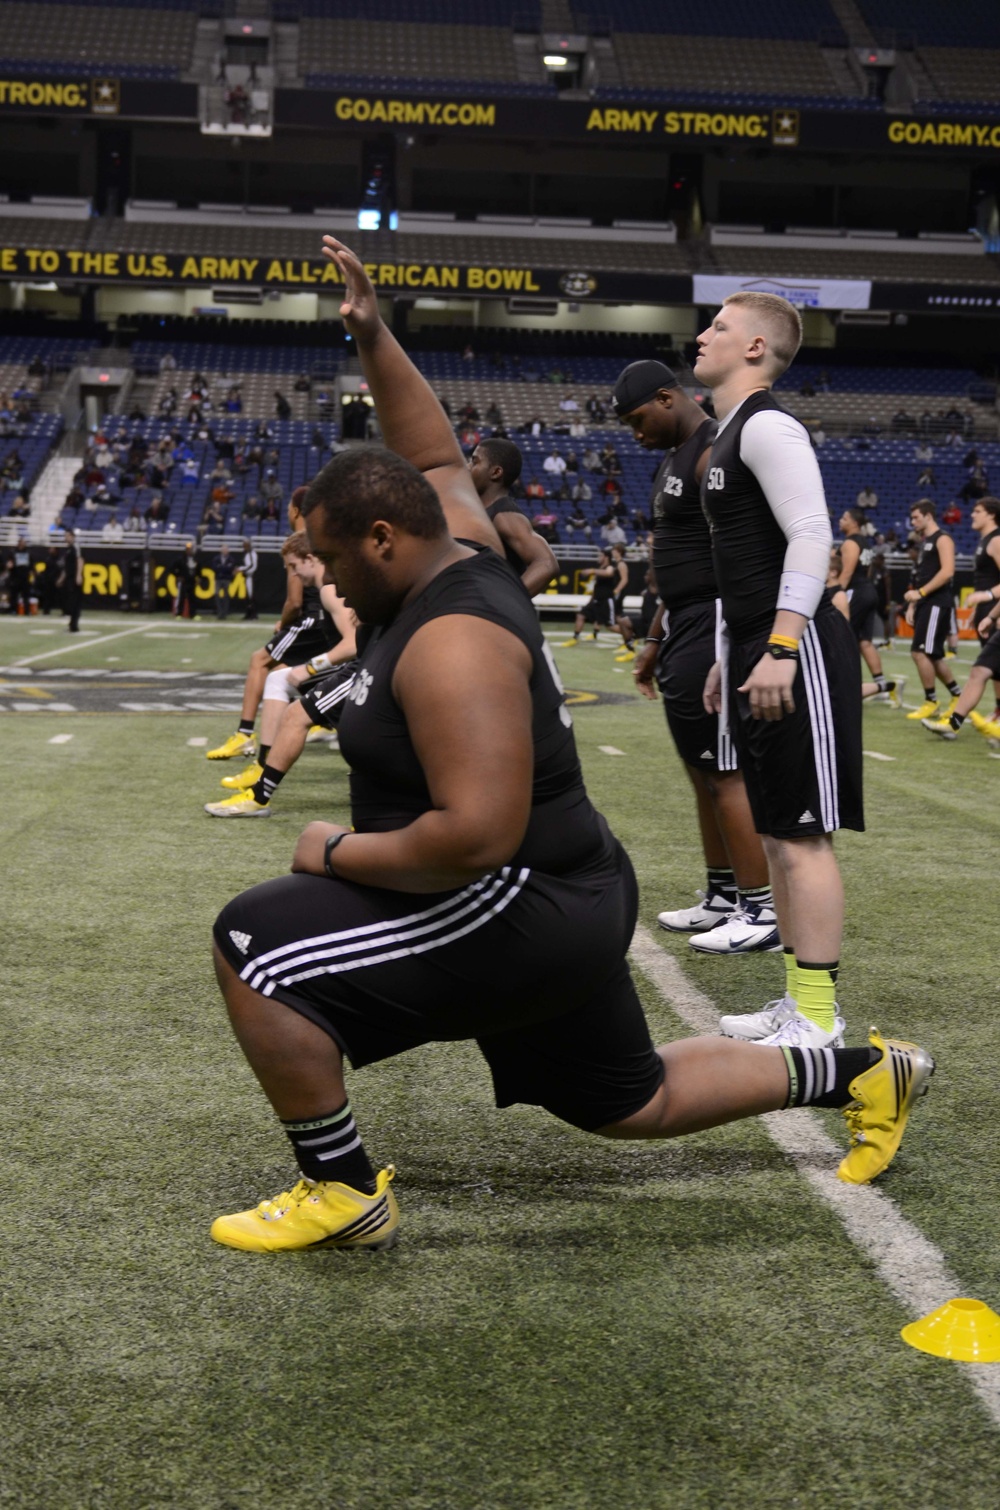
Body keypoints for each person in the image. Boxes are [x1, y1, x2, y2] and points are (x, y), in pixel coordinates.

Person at [206, 237, 935, 1254]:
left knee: (255, 945)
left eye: (331, 556)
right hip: (569, 887)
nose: (325, 577)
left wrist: (330, 849)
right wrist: (373, 336)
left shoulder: (451, 640)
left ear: (380, 542)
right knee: (623, 1100)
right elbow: (429, 454)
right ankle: (862, 1069)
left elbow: (474, 834)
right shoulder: (449, 542)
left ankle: (340, 1187)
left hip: (520, 896)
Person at [694, 291, 864, 1050]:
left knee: (802, 837)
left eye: (720, 327)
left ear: (756, 348)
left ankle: (820, 1016)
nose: (703, 335)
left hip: (792, 652)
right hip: (756, 648)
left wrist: (782, 647)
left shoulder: (767, 424)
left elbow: (810, 535)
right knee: (776, 836)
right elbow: (743, 561)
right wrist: (731, 652)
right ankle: (798, 1000)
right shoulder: (731, 434)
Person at [614, 359, 777, 956]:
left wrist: (734, 629)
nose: (637, 433)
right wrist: (656, 636)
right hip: (683, 621)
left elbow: (742, 546)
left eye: (639, 420)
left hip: (714, 621)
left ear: (667, 397)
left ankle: (759, 908)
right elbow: (671, 561)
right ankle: (723, 895)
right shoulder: (673, 458)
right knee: (701, 772)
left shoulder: (714, 448)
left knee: (725, 770)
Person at [204, 539, 358, 817]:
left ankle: (260, 795)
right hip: (362, 664)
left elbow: (354, 645)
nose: (294, 574)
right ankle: (262, 772)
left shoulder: (331, 589)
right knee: (279, 680)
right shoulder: (329, 585)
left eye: (294, 566)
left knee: (301, 716)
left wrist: (311, 668)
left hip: (365, 668)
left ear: (311, 558)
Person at [922, 497, 1000, 740]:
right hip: (990, 611)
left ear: (991, 514)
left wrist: (987, 597)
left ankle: (954, 722)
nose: (972, 515)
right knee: (990, 670)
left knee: (982, 669)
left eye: (977, 511)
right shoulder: (985, 540)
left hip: (993, 607)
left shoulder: (996, 540)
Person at [467, 440, 557, 595]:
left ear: (496, 472)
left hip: (491, 615)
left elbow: (546, 563)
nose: (467, 467)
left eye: (474, 462)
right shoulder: (480, 510)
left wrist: (508, 602)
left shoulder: (504, 515)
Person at [903, 500, 961, 723]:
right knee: (933, 655)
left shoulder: (942, 538)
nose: (913, 522)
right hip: (927, 602)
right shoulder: (925, 543)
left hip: (937, 602)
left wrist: (921, 594)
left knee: (920, 652)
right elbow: (921, 577)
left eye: (917, 517)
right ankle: (957, 695)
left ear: (928, 516)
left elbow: (947, 572)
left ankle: (931, 701)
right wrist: (913, 604)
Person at [835, 508, 899, 705]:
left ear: (854, 523)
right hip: (868, 590)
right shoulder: (866, 543)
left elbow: (846, 573)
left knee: (843, 638)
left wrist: (836, 594)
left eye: (844, 518)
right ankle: (881, 686)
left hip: (855, 591)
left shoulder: (850, 542)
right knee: (865, 641)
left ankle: (845, 684)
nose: (840, 520)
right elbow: (869, 570)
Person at [560, 549, 619, 645]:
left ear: (606, 557)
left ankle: (630, 636)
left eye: (601, 556)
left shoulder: (610, 567)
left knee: (610, 626)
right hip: (596, 600)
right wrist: (591, 599)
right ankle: (575, 638)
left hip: (606, 601)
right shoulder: (600, 568)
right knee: (581, 615)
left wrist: (592, 571)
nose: (599, 558)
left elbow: (609, 573)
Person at [57, 528, 83, 632]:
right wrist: (61, 579)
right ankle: (71, 623)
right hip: (68, 578)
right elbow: (66, 567)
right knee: (69, 601)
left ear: (72, 536)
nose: (65, 537)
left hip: (74, 578)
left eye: (67, 535)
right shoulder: (67, 549)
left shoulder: (75, 547)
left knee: (75, 602)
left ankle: (74, 625)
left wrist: (78, 575)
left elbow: (80, 560)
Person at [173, 542, 201, 619]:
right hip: (184, 582)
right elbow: (172, 569)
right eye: (188, 549)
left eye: (191, 549)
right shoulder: (181, 559)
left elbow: (199, 570)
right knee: (181, 598)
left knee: (192, 599)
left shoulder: (195, 559)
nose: (189, 551)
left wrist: (198, 578)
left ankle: (193, 614)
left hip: (192, 582)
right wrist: (178, 576)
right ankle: (179, 614)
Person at [214, 544, 237, 619]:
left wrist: (221, 567)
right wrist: (225, 568)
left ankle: (224, 613)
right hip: (218, 579)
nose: (225, 551)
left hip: (226, 579)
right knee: (217, 595)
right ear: (221, 551)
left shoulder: (231, 559)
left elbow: (230, 568)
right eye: (223, 550)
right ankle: (220, 611)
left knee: (226, 596)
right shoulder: (216, 558)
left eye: (226, 550)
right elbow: (214, 567)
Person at [241, 537, 259, 620]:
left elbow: (252, 566)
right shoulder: (247, 554)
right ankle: (248, 613)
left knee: (251, 596)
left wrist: (242, 570)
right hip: (247, 577)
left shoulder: (252, 554)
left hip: (251, 577)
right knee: (247, 596)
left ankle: (253, 614)